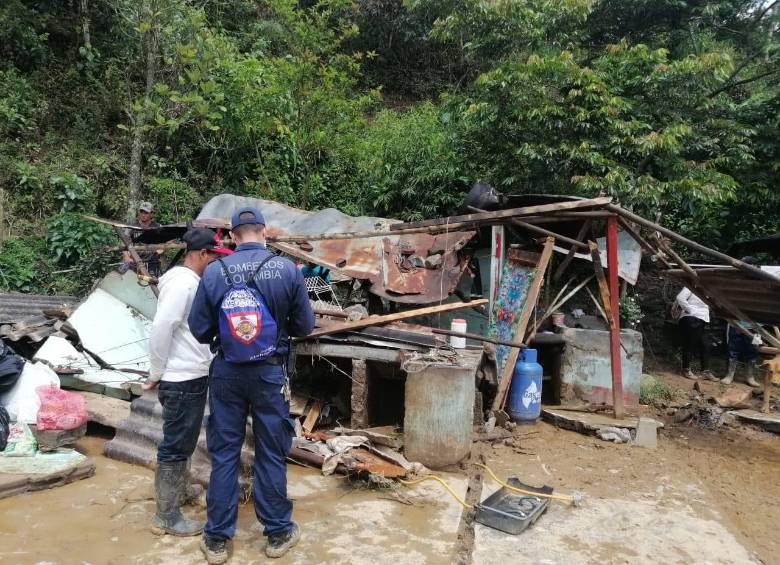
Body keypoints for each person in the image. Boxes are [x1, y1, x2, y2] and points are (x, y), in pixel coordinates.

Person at [188, 206, 315, 563]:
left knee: (225, 454)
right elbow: (305, 327)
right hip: (269, 374)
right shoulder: (286, 269)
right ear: (264, 231)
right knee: (271, 451)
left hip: (227, 372)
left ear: (231, 235)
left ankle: (216, 539)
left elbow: (199, 330)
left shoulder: (214, 271)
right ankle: (277, 533)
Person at [142, 227, 232, 537]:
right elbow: (162, 328)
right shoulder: (182, 284)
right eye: (213, 256)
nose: (214, 263)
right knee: (175, 446)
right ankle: (166, 516)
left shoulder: (187, 281)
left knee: (185, 440)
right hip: (181, 378)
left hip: (190, 375)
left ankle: (178, 493)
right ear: (202, 254)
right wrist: (155, 372)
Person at [675, 287, 715, 380]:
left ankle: (705, 371)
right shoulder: (691, 286)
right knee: (690, 344)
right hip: (691, 318)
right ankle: (686, 369)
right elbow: (680, 298)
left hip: (703, 319)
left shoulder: (709, 290)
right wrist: (690, 310)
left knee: (706, 345)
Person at [120, 201, 163, 276]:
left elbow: (168, 238)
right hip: (134, 260)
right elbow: (123, 241)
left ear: (151, 214)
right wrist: (126, 256)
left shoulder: (157, 227)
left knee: (153, 282)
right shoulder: (132, 226)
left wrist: (162, 249)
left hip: (151, 261)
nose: (143, 215)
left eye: (146, 212)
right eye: (141, 212)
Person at [722, 321, 761, 387]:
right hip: (735, 324)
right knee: (732, 349)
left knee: (754, 350)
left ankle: (750, 377)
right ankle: (729, 375)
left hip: (757, 327)